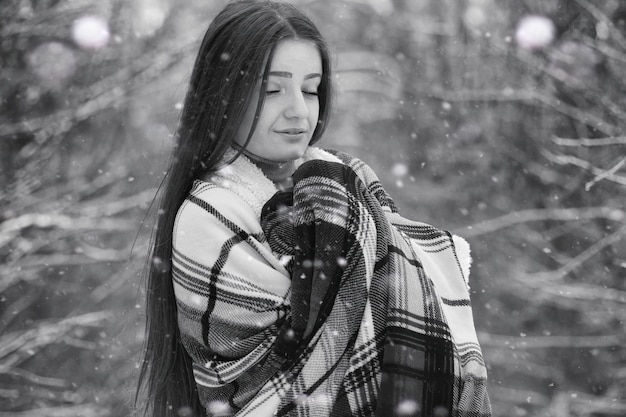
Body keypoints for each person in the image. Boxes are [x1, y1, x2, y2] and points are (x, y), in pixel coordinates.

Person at [135, 1, 492, 416]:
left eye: (310, 89)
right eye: (272, 90)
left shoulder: (344, 184)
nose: (298, 110)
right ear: (224, 94)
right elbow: (276, 387)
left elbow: (397, 317)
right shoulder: (211, 217)